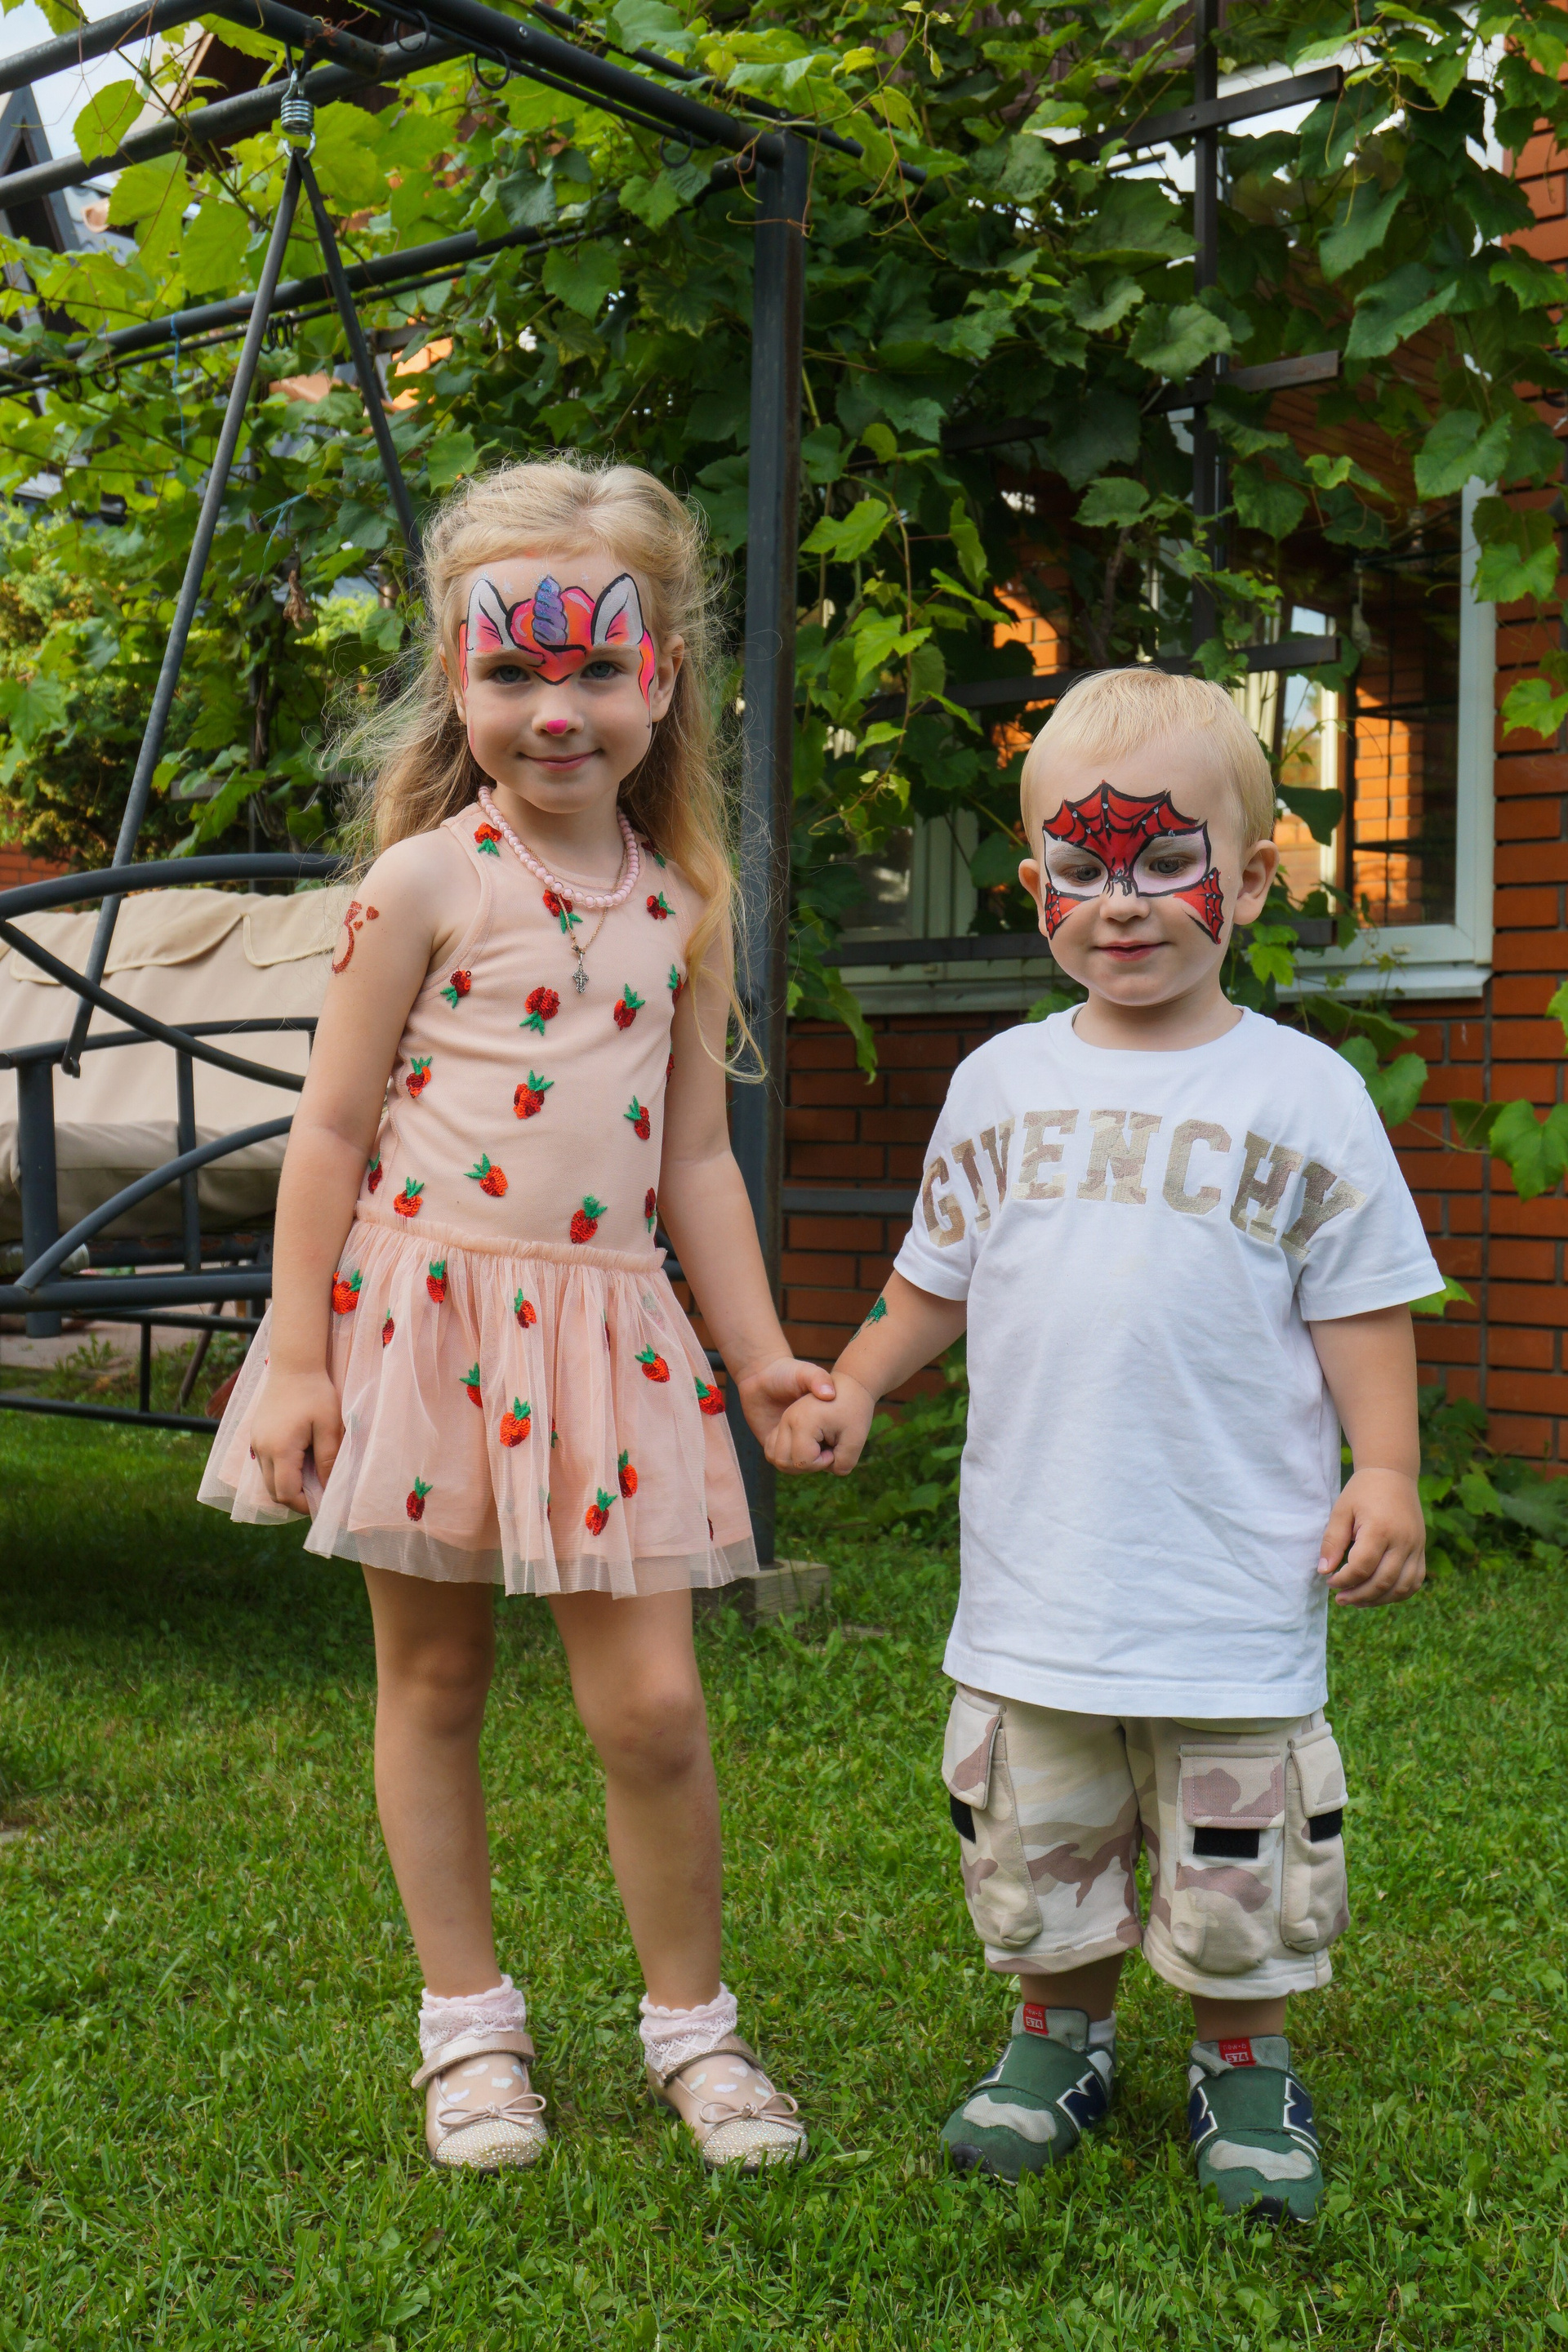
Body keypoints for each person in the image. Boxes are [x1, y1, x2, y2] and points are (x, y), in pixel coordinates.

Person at [203, 458, 830, 2175]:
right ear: (454, 677)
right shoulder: (419, 883)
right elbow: (328, 1131)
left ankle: (692, 2028)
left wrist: (761, 1357)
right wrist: (301, 1358)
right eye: (512, 669)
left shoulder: (686, 909)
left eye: (599, 665)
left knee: (656, 1712)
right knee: (435, 1679)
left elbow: (694, 1159)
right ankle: (468, 2028)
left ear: (664, 678)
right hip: (422, 1325)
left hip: (610, 1345)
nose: (559, 709)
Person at [768, 667, 1441, 2220]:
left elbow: (1363, 1305)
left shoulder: (1307, 1093)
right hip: (1042, 1576)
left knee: (1235, 1847)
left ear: (1250, 882)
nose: (1121, 901)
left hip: (1227, 1581)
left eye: (1164, 862)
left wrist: (1388, 1467)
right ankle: (1054, 2039)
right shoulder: (998, 1086)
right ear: (1035, 891)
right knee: (1040, 1832)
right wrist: (858, 1379)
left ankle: (1242, 2059)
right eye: (1081, 867)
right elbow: (935, 1280)